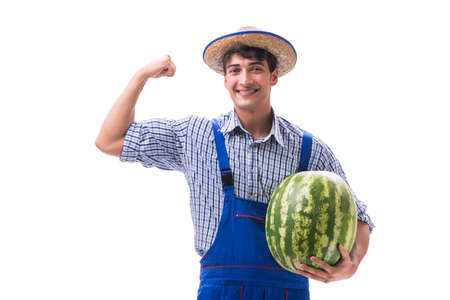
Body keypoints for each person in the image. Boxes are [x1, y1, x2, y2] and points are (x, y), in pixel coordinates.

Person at [95, 27, 374, 300]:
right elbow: (110, 140)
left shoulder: (308, 149)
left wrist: (352, 265)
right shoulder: (196, 136)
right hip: (220, 291)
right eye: (234, 70)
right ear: (225, 79)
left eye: (255, 68)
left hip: (289, 291)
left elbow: (360, 217)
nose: (244, 79)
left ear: (273, 76)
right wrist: (140, 76)